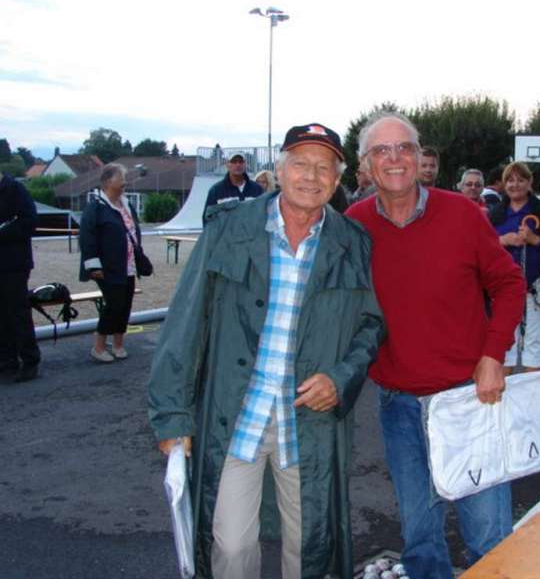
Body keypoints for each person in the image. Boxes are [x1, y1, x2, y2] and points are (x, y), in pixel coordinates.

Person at [148, 122, 384, 579]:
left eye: (323, 168)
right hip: (238, 417)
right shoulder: (229, 229)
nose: (311, 176)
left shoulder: (352, 244)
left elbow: (370, 326)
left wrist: (341, 377)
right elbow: (185, 323)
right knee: (230, 546)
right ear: (278, 168)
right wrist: (172, 414)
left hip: (309, 423)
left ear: (337, 180)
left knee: (310, 547)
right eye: (300, 163)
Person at [346, 111, 525, 579]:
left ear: (420, 155)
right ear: (365, 165)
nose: (395, 158)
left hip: (468, 400)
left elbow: (509, 285)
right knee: (421, 538)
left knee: (488, 537)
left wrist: (493, 356)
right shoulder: (354, 225)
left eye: (404, 147)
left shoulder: (462, 214)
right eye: (381, 150)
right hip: (398, 406)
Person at [490, 163, 540, 374]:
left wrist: (535, 239)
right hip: (503, 291)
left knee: (535, 342)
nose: (515, 185)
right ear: (504, 184)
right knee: (505, 344)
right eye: (510, 180)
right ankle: (504, 400)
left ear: (530, 182)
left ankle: (532, 401)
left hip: (535, 291)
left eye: (521, 180)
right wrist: (502, 240)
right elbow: (482, 248)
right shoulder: (496, 214)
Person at [79, 163, 143, 363]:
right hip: (107, 267)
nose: (125, 182)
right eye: (121, 178)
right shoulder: (96, 207)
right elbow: (87, 238)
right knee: (114, 304)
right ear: (108, 182)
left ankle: (118, 344)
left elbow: (134, 232)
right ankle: (98, 346)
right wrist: (94, 266)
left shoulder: (126, 205)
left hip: (128, 265)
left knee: (125, 305)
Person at [0, 171, 40, 382]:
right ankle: (7, 360)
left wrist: (3, 232)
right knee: (2, 316)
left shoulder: (15, 189)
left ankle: (29, 360)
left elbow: (30, 221)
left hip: (14, 264)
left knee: (18, 313)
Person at [202, 152, 263, 224]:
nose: (238, 165)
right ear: (227, 165)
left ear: (245, 164)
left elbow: (263, 216)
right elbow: (208, 219)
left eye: (241, 162)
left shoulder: (257, 189)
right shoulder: (216, 191)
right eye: (234, 162)